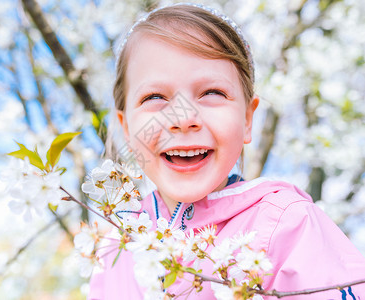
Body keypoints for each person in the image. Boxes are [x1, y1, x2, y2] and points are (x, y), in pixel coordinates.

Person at [88, 3, 365, 299]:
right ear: (127, 128)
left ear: (247, 118)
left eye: (212, 93)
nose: (183, 119)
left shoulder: (287, 225)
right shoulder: (115, 247)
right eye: (155, 97)